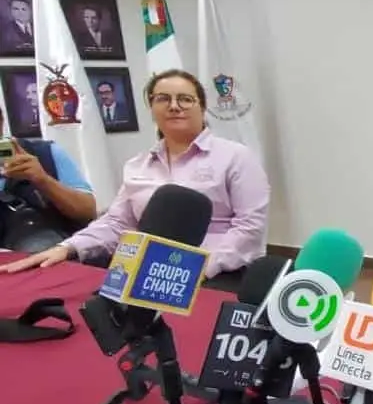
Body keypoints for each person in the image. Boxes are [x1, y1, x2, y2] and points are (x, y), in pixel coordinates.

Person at [0, 69, 271, 291]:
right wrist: (67, 247)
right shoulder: (137, 166)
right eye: (163, 99)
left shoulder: (236, 157)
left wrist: (201, 267)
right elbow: (117, 223)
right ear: (151, 108)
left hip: (217, 273)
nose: (174, 106)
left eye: (185, 99)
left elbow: (250, 228)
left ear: (202, 107)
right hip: (148, 273)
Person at [0, 106, 97, 249]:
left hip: (39, 242)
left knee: (38, 245)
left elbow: (87, 212)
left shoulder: (45, 153)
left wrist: (42, 180)